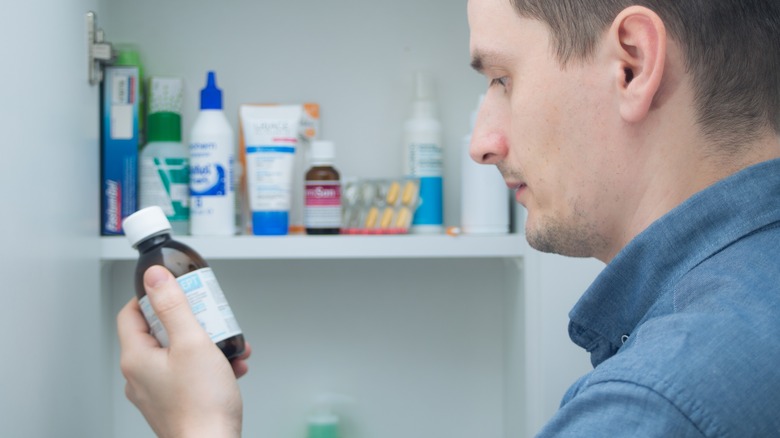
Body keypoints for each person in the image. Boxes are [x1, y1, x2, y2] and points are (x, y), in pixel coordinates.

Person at [117, 0, 780, 436]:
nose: (482, 142)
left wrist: (199, 427)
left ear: (632, 63)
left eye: (501, 79)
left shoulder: (650, 408)